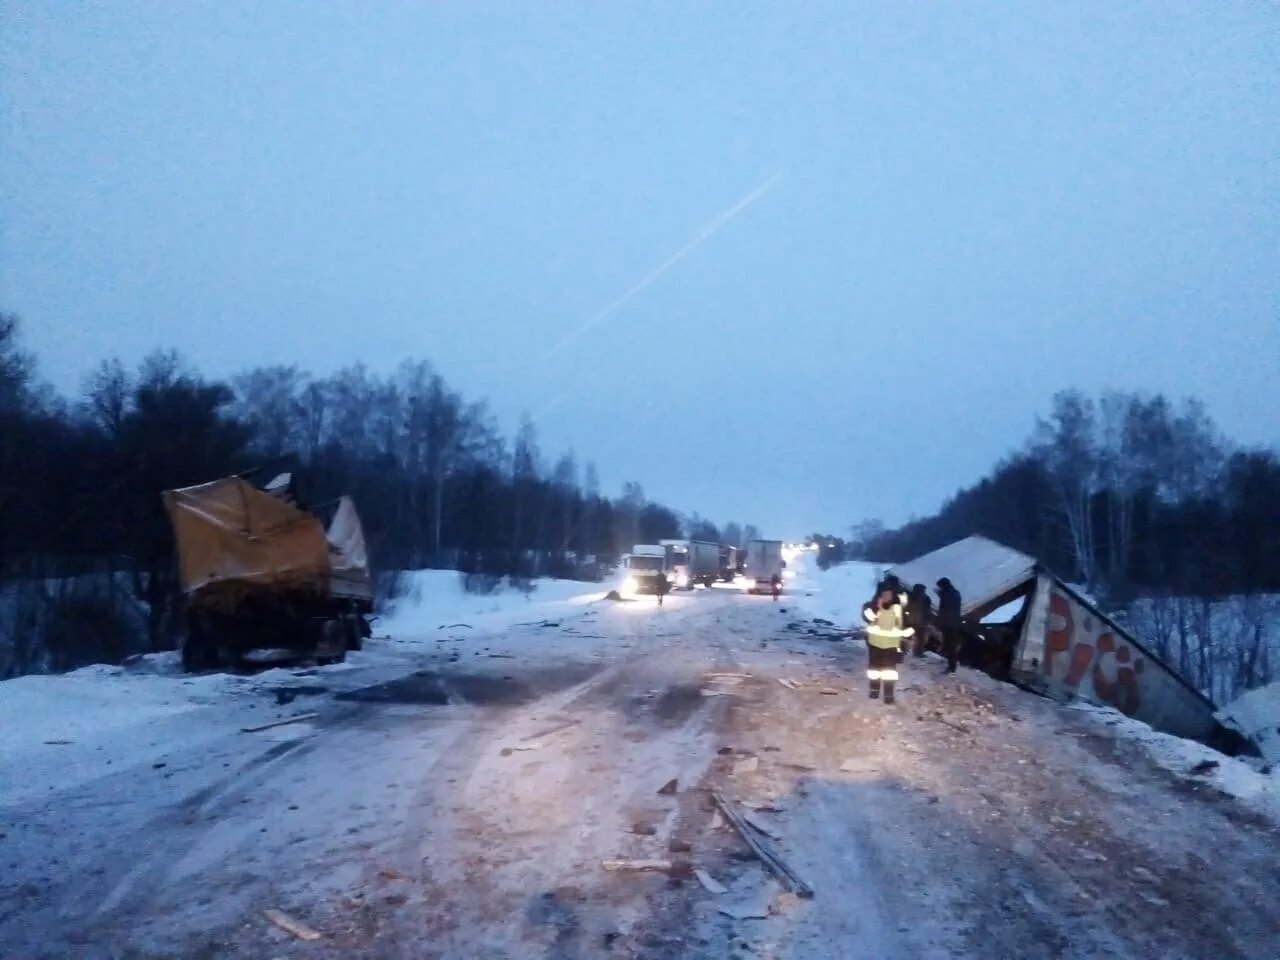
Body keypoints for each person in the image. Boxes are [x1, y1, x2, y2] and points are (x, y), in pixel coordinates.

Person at [861, 586, 913, 704]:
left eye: (889, 595)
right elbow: (867, 618)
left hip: (891, 645)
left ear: (893, 595)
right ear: (879, 595)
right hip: (875, 644)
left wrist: (907, 638)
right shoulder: (870, 607)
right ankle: (874, 690)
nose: (886, 597)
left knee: (889, 672)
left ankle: (888, 694)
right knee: (874, 671)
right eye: (884, 595)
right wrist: (876, 608)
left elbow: (907, 625)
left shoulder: (899, 609)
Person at [936, 577, 963, 673]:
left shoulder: (949, 594)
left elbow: (946, 606)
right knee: (948, 643)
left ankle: (952, 666)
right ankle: (949, 663)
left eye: (940, 587)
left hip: (949, 623)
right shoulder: (953, 593)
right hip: (951, 623)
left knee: (950, 645)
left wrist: (941, 594)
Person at [906, 583, 933, 658]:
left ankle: (905, 650)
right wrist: (926, 620)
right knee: (920, 638)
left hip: (912, 619)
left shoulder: (911, 596)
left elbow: (907, 607)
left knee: (908, 636)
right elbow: (927, 610)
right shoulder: (926, 598)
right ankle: (918, 653)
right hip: (921, 621)